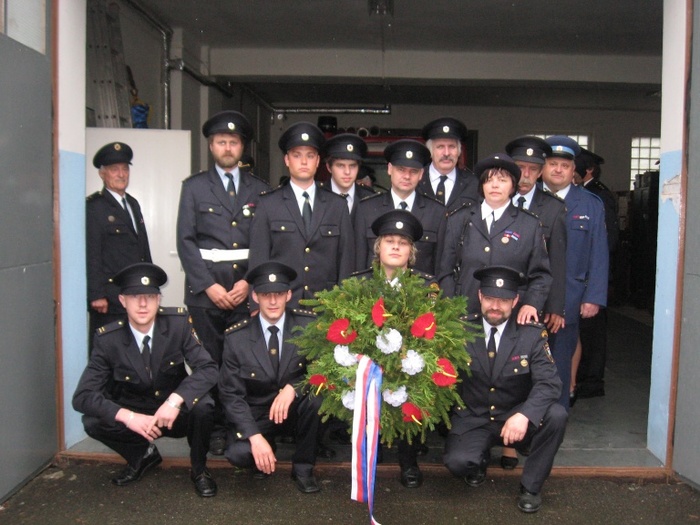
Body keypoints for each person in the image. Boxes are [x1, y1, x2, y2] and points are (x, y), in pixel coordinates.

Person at [72, 263, 218, 497]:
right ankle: (142, 455)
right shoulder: (108, 339)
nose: (142, 304)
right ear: (122, 300)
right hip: (136, 414)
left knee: (204, 406)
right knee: (92, 421)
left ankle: (199, 469)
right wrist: (128, 417)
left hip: (173, 415)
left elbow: (208, 368)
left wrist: (175, 401)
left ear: (158, 300)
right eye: (134, 297)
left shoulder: (178, 324)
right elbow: (82, 397)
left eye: (149, 297)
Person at [176, 110, 271, 455]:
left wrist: (249, 283)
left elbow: (263, 243)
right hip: (207, 294)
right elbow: (185, 241)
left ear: (242, 147)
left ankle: (239, 426)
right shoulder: (194, 187)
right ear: (211, 146)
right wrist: (207, 285)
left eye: (233, 142)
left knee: (244, 362)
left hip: (244, 292)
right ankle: (214, 426)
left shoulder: (260, 189)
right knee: (210, 361)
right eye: (221, 142)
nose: (227, 147)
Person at [443, 265, 567, 514]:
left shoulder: (531, 335)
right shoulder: (460, 330)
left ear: (516, 301)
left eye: (503, 300)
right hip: (475, 418)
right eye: (490, 298)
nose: (495, 306)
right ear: (480, 296)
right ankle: (478, 459)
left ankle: (531, 487)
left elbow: (550, 383)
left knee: (556, 415)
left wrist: (525, 415)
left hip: (515, 416)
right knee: (457, 464)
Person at [218, 261, 323, 493]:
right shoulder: (237, 337)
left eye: (279, 294)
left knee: (316, 400)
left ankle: (304, 468)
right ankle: (266, 446)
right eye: (266, 295)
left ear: (288, 295)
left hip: (294, 410)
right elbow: (230, 394)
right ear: (255, 296)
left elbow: (321, 368)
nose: (273, 301)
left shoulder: (307, 325)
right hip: (258, 413)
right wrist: (255, 437)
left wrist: (293, 388)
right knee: (238, 454)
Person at [354, 209, 435, 489]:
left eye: (403, 243)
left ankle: (408, 460)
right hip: (369, 365)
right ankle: (369, 450)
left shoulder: (426, 287)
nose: (396, 247)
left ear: (411, 252)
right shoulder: (359, 283)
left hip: (409, 365)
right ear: (378, 247)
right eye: (389, 241)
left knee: (415, 383)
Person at [248, 121, 354, 308]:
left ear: (318, 161)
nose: (304, 162)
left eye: (310, 156)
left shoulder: (337, 205)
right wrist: (256, 306)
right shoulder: (269, 204)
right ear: (286, 160)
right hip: (282, 305)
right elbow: (259, 258)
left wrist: (345, 306)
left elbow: (346, 260)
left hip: (327, 306)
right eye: (297, 155)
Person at [438, 153, 552, 322]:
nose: (495, 185)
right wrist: (451, 307)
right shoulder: (459, 219)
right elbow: (445, 270)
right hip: (464, 313)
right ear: (482, 185)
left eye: (502, 180)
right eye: (489, 180)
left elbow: (541, 274)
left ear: (513, 186)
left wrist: (531, 303)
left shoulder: (529, 224)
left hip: (511, 315)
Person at [540, 136, 608, 409]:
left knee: (560, 361)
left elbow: (599, 253)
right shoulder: (528, 199)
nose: (558, 170)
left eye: (565, 165)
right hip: (532, 297)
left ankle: (555, 418)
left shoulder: (590, 204)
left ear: (573, 170)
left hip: (570, 297)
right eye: (553, 164)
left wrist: (593, 297)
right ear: (543, 167)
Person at [86, 142, 151, 350]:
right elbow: (92, 253)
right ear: (102, 174)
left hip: (135, 292)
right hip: (109, 297)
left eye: (125, 169)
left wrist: (150, 285)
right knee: (108, 351)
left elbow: (143, 248)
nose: (121, 174)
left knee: (134, 349)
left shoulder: (133, 203)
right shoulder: (94, 207)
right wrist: (96, 294)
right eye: (114, 169)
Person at [354, 139, 446, 276]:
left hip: (421, 289)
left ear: (421, 174)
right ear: (390, 169)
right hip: (374, 288)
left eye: (413, 171)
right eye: (401, 169)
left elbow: (440, 264)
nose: (407, 176)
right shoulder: (366, 209)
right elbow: (359, 261)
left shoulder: (436, 212)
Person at [571, 148, 618, 401]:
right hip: (578, 278)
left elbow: (606, 242)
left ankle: (591, 382)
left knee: (592, 335)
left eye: (574, 167)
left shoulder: (598, 197)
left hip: (591, 277)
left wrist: (594, 284)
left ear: (587, 170)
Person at [418, 117, 480, 213]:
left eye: (452, 146)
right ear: (430, 151)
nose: (446, 153)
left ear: (459, 151)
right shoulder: (416, 180)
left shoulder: (473, 183)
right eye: (440, 147)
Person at [319, 133, 376, 219]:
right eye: (341, 166)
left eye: (352, 166)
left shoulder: (370, 199)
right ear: (329, 167)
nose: (347, 172)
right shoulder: (317, 197)